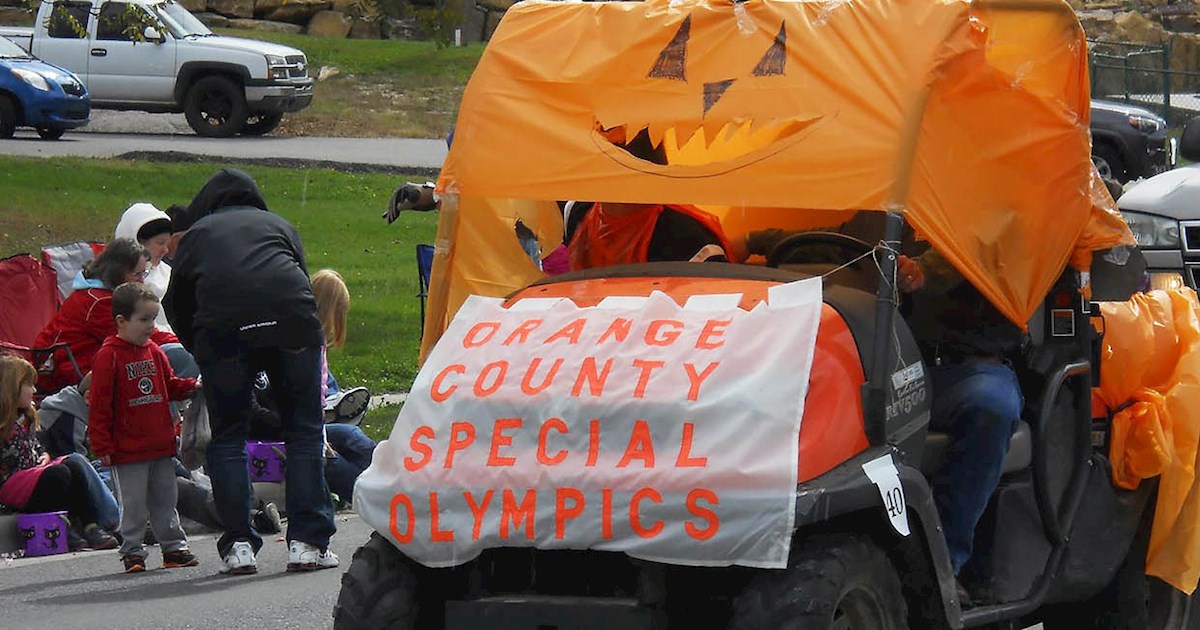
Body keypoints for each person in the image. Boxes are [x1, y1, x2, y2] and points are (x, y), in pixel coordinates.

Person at [164, 168, 337, 576]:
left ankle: (239, 544)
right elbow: (298, 279)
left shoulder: (197, 237)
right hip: (293, 325)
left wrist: (201, 347)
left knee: (228, 439)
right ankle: (308, 543)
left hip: (224, 334)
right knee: (304, 431)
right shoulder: (280, 225)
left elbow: (176, 303)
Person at [897, 247, 1024, 601]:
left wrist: (922, 270)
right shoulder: (889, 206)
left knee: (991, 406)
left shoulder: (990, 219)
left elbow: (971, 249)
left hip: (970, 366)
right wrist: (752, 240)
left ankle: (940, 565)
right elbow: (845, 240)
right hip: (889, 361)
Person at [89, 283, 200, 573]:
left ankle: (173, 547)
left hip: (160, 444)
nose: (151, 326)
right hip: (127, 451)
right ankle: (132, 550)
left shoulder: (154, 351)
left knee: (166, 500)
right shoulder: (109, 356)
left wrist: (192, 386)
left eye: (153, 319)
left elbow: (170, 385)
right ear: (121, 321)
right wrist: (102, 446)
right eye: (144, 320)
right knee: (133, 505)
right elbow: (100, 406)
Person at [0, 355, 118, 552]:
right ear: (11, 388)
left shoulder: (27, 416)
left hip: (32, 475)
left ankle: (91, 525)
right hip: (11, 484)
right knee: (58, 474)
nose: (34, 390)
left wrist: (44, 456)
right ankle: (64, 525)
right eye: (29, 385)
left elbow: (37, 446)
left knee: (73, 463)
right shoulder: (4, 424)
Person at [33, 238, 178, 393]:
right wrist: (185, 345)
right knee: (172, 358)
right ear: (118, 272)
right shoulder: (100, 302)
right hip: (68, 374)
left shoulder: (99, 294)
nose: (142, 279)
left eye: (144, 273)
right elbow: (139, 337)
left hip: (82, 365)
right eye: (137, 274)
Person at [114, 203, 199, 379]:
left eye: (166, 243)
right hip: (150, 345)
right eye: (159, 243)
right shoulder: (123, 280)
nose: (165, 249)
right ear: (137, 242)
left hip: (176, 338)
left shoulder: (167, 272)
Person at [311, 269, 370, 424]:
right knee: (351, 436)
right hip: (309, 420)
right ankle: (333, 410)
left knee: (328, 382)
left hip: (318, 406)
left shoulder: (314, 341)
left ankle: (334, 402)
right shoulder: (309, 345)